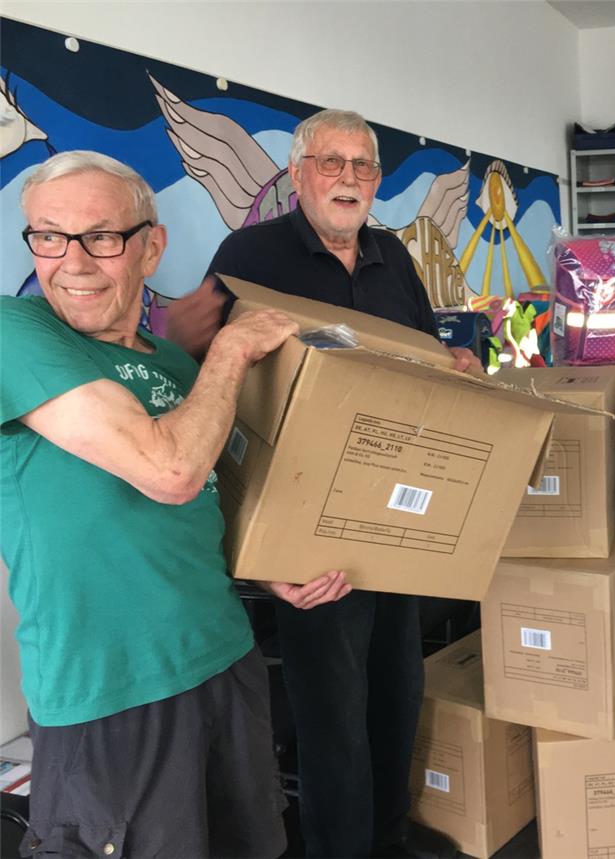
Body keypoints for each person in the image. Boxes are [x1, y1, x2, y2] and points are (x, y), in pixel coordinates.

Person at [1, 151, 352, 858]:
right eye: (48, 235)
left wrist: (264, 565)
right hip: (110, 697)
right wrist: (231, 350)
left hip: (225, 660)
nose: (72, 261)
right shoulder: (14, 332)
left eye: (101, 235)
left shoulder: (172, 365)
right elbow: (170, 470)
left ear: (151, 245)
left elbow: (203, 503)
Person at [166, 109, 476, 859]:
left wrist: (457, 369)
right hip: (304, 523)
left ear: (376, 179)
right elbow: (192, 364)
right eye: (331, 162)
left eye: (362, 166)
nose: (348, 178)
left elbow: (422, 356)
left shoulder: (391, 255)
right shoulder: (253, 253)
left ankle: (388, 838)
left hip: (396, 510)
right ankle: (343, 848)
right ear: (300, 172)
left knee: (397, 689)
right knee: (332, 707)